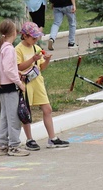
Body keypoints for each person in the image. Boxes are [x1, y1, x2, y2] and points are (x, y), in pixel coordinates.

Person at [16, 22, 70, 151]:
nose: (35, 40)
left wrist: (46, 60)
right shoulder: (18, 49)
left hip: (37, 81)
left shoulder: (36, 48)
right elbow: (18, 67)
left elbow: (41, 67)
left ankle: (52, 138)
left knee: (47, 109)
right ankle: (29, 139)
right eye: (33, 38)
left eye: (36, 38)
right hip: (26, 83)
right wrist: (32, 59)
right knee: (26, 111)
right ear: (24, 36)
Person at [0, 19, 29, 157]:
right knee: (14, 117)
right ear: (14, 32)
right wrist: (19, 83)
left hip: (3, 86)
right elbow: (8, 69)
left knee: (5, 116)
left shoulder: (2, 48)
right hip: (9, 86)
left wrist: (16, 72)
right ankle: (14, 146)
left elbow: (6, 68)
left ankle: (2, 145)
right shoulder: (9, 49)